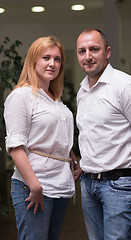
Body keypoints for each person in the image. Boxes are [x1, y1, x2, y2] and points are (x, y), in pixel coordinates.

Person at [75, 28, 131, 240]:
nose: (88, 56)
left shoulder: (125, 86)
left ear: (108, 52)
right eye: (82, 51)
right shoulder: (82, 90)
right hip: (88, 183)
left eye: (94, 49)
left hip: (118, 184)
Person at [4, 36, 78, 240]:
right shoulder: (21, 96)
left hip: (59, 185)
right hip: (34, 185)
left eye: (57, 59)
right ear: (33, 60)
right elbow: (16, 146)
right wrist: (34, 185)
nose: (52, 64)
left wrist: (73, 159)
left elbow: (55, 136)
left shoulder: (54, 98)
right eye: (46, 57)